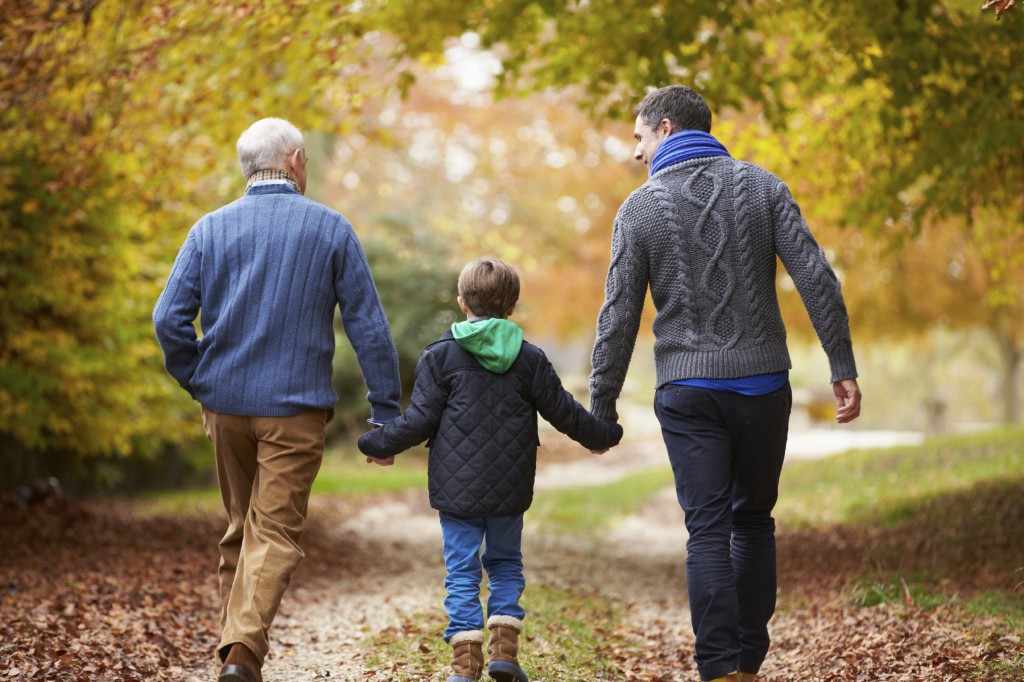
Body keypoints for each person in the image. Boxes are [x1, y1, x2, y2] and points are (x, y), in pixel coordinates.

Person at [588, 85, 862, 682]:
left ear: (664, 128)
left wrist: (601, 405)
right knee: (753, 520)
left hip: (688, 390)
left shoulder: (640, 208)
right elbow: (817, 277)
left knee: (707, 529)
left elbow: (618, 314)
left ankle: (720, 669)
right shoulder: (764, 187)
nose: (636, 153)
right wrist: (841, 366)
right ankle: (748, 660)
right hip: (764, 384)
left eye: (638, 137)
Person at [153, 117, 402, 682]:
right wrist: (384, 412)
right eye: (307, 160)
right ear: (293, 161)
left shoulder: (208, 230)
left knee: (242, 528)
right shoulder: (330, 229)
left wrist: (200, 379)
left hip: (225, 408)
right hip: (294, 411)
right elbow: (368, 326)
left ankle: (236, 661)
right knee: (275, 533)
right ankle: (241, 654)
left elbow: (167, 319)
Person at [358, 257, 622, 682]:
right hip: (509, 487)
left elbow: (420, 419)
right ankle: (504, 652)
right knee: (504, 564)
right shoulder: (529, 359)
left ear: (462, 302)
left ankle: (465, 665)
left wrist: (376, 443)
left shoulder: (440, 357)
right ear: (512, 306)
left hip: (455, 488)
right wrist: (600, 436)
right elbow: (564, 411)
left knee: (462, 570)